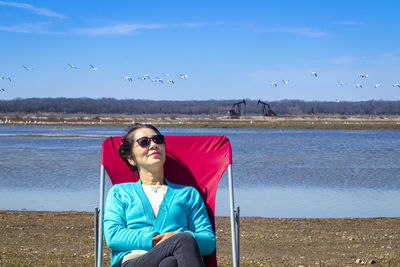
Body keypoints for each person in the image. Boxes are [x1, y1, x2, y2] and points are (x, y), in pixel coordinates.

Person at [103, 123, 216, 267]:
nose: (153, 145)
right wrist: (159, 239)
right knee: (184, 240)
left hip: (178, 260)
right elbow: (113, 236)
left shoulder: (188, 194)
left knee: (170, 263)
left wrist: (175, 240)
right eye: (144, 142)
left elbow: (208, 241)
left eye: (158, 139)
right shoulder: (120, 193)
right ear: (131, 158)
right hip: (136, 261)